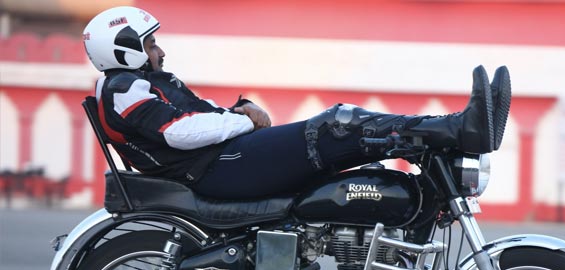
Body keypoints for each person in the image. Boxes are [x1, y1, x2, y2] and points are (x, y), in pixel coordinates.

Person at [83, 6, 510, 199]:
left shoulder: (142, 83)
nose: (159, 51)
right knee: (337, 126)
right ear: (124, 48)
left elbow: (195, 116)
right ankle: (458, 129)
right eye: (150, 44)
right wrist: (246, 122)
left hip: (222, 160)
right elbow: (179, 132)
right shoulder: (123, 88)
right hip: (215, 168)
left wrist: (237, 112)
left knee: (359, 155)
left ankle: (451, 133)